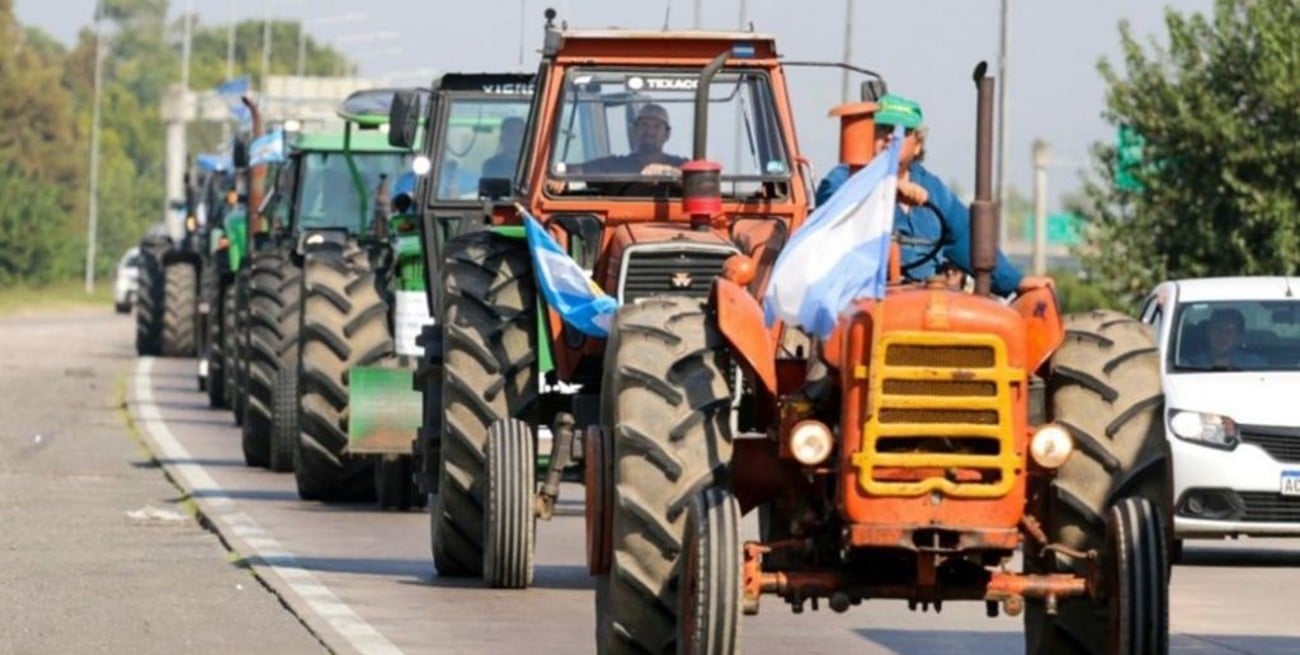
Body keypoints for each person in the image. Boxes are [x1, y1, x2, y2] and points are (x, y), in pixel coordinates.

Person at [814, 93, 1044, 298]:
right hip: (860, 300)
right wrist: (888, 189)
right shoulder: (844, 178)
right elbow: (834, 208)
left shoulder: (934, 191)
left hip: (924, 301)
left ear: (917, 145)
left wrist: (1015, 282)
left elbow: (968, 239)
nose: (890, 138)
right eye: (883, 129)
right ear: (868, 135)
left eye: (901, 132)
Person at [572, 103, 687, 176]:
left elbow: (702, 181)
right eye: (644, 125)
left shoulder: (680, 165)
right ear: (634, 131)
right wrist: (559, 177)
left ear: (667, 135)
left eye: (657, 126)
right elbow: (578, 170)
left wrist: (668, 172)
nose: (650, 131)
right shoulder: (616, 166)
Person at [1188, 308, 1267, 370]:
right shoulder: (1189, 364)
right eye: (1218, 329)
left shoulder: (1255, 365)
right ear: (1208, 332)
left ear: (1239, 337)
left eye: (1230, 331)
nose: (1223, 335)